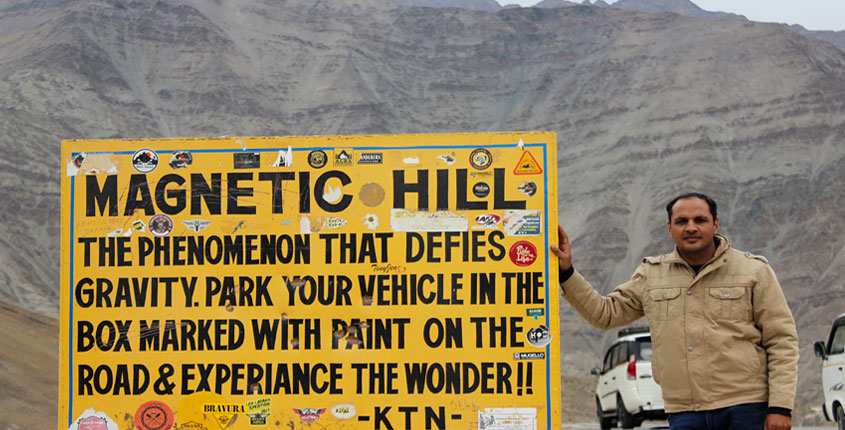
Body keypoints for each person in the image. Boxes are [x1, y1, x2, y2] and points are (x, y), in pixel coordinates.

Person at [550, 192, 798, 430]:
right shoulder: (652, 275)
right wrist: (567, 272)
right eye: (682, 221)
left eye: (700, 220)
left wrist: (780, 406)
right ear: (670, 228)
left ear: (716, 224)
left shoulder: (753, 271)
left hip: (746, 408)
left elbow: (781, 340)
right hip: (684, 412)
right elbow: (605, 314)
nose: (691, 227)